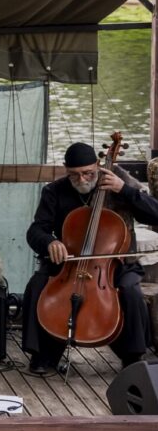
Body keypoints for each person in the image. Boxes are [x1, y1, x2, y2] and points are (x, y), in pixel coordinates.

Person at [22, 142, 158, 373]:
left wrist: (125, 190)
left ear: (97, 164)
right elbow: (36, 230)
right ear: (66, 169)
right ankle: (43, 355)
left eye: (88, 173)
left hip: (116, 264)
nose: (83, 179)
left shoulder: (118, 182)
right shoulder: (54, 191)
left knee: (131, 291)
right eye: (75, 175)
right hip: (68, 264)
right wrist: (50, 242)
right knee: (37, 285)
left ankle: (133, 356)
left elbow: (155, 213)